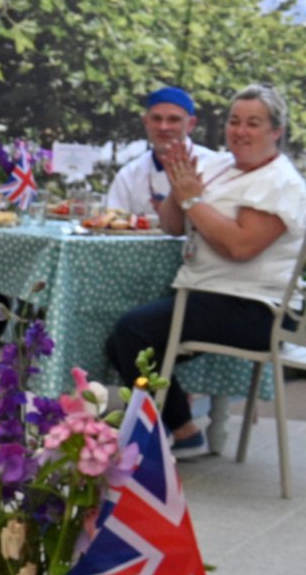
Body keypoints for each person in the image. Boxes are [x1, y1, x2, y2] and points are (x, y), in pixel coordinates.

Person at [108, 84, 306, 460]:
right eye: (234, 121)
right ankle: (180, 428)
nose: (240, 131)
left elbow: (239, 247)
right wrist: (176, 187)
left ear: (276, 131)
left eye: (253, 123)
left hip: (253, 308)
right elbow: (172, 226)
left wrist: (193, 200)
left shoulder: (282, 182)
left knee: (133, 332)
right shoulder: (218, 165)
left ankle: (177, 431)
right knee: (124, 339)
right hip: (205, 294)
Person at [105, 86, 219, 217]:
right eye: (156, 119)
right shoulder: (129, 175)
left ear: (191, 124)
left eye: (173, 120)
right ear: (146, 121)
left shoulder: (215, 166)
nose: (163, 127)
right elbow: (112, 221)